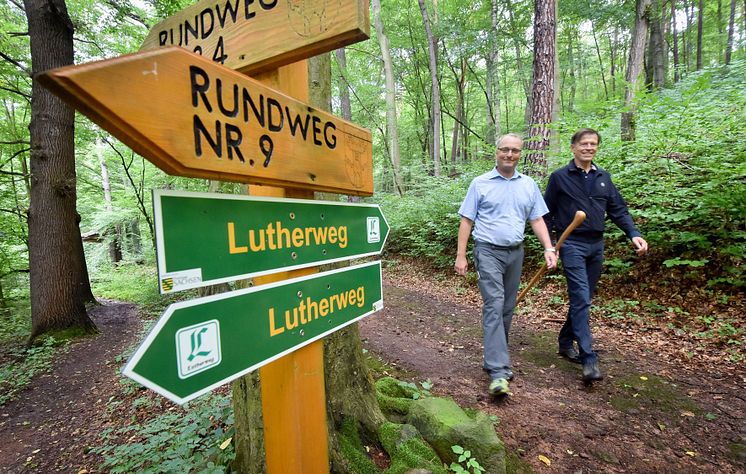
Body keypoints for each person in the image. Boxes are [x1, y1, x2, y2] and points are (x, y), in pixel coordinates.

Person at [455, 133, 557, 397]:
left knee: (508, 308)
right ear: (496, 151)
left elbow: (536, 219)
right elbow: (467, 220)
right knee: (495, 304)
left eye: (515, 150)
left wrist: (548, 247)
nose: (509, 154)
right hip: (487, 251)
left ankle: (495, 355)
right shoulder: (480, 184)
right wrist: (461, 255)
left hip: (516, 252)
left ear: (520, 154)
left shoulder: (528, 184)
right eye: (505, 150)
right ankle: (499, 371)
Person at [543, 128, 648, 382]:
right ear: (573, 147)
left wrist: (632, 232)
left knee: (584, 297)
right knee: (581, 297)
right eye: (584, 144)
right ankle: (588, 357)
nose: (588, 148)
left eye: (593, 144)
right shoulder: (559, 177)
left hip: (596, 245)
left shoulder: (604, 177)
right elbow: (546, 214)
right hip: (572, 245)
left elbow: (617, 209)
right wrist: (551, 245)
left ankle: (565, 340)